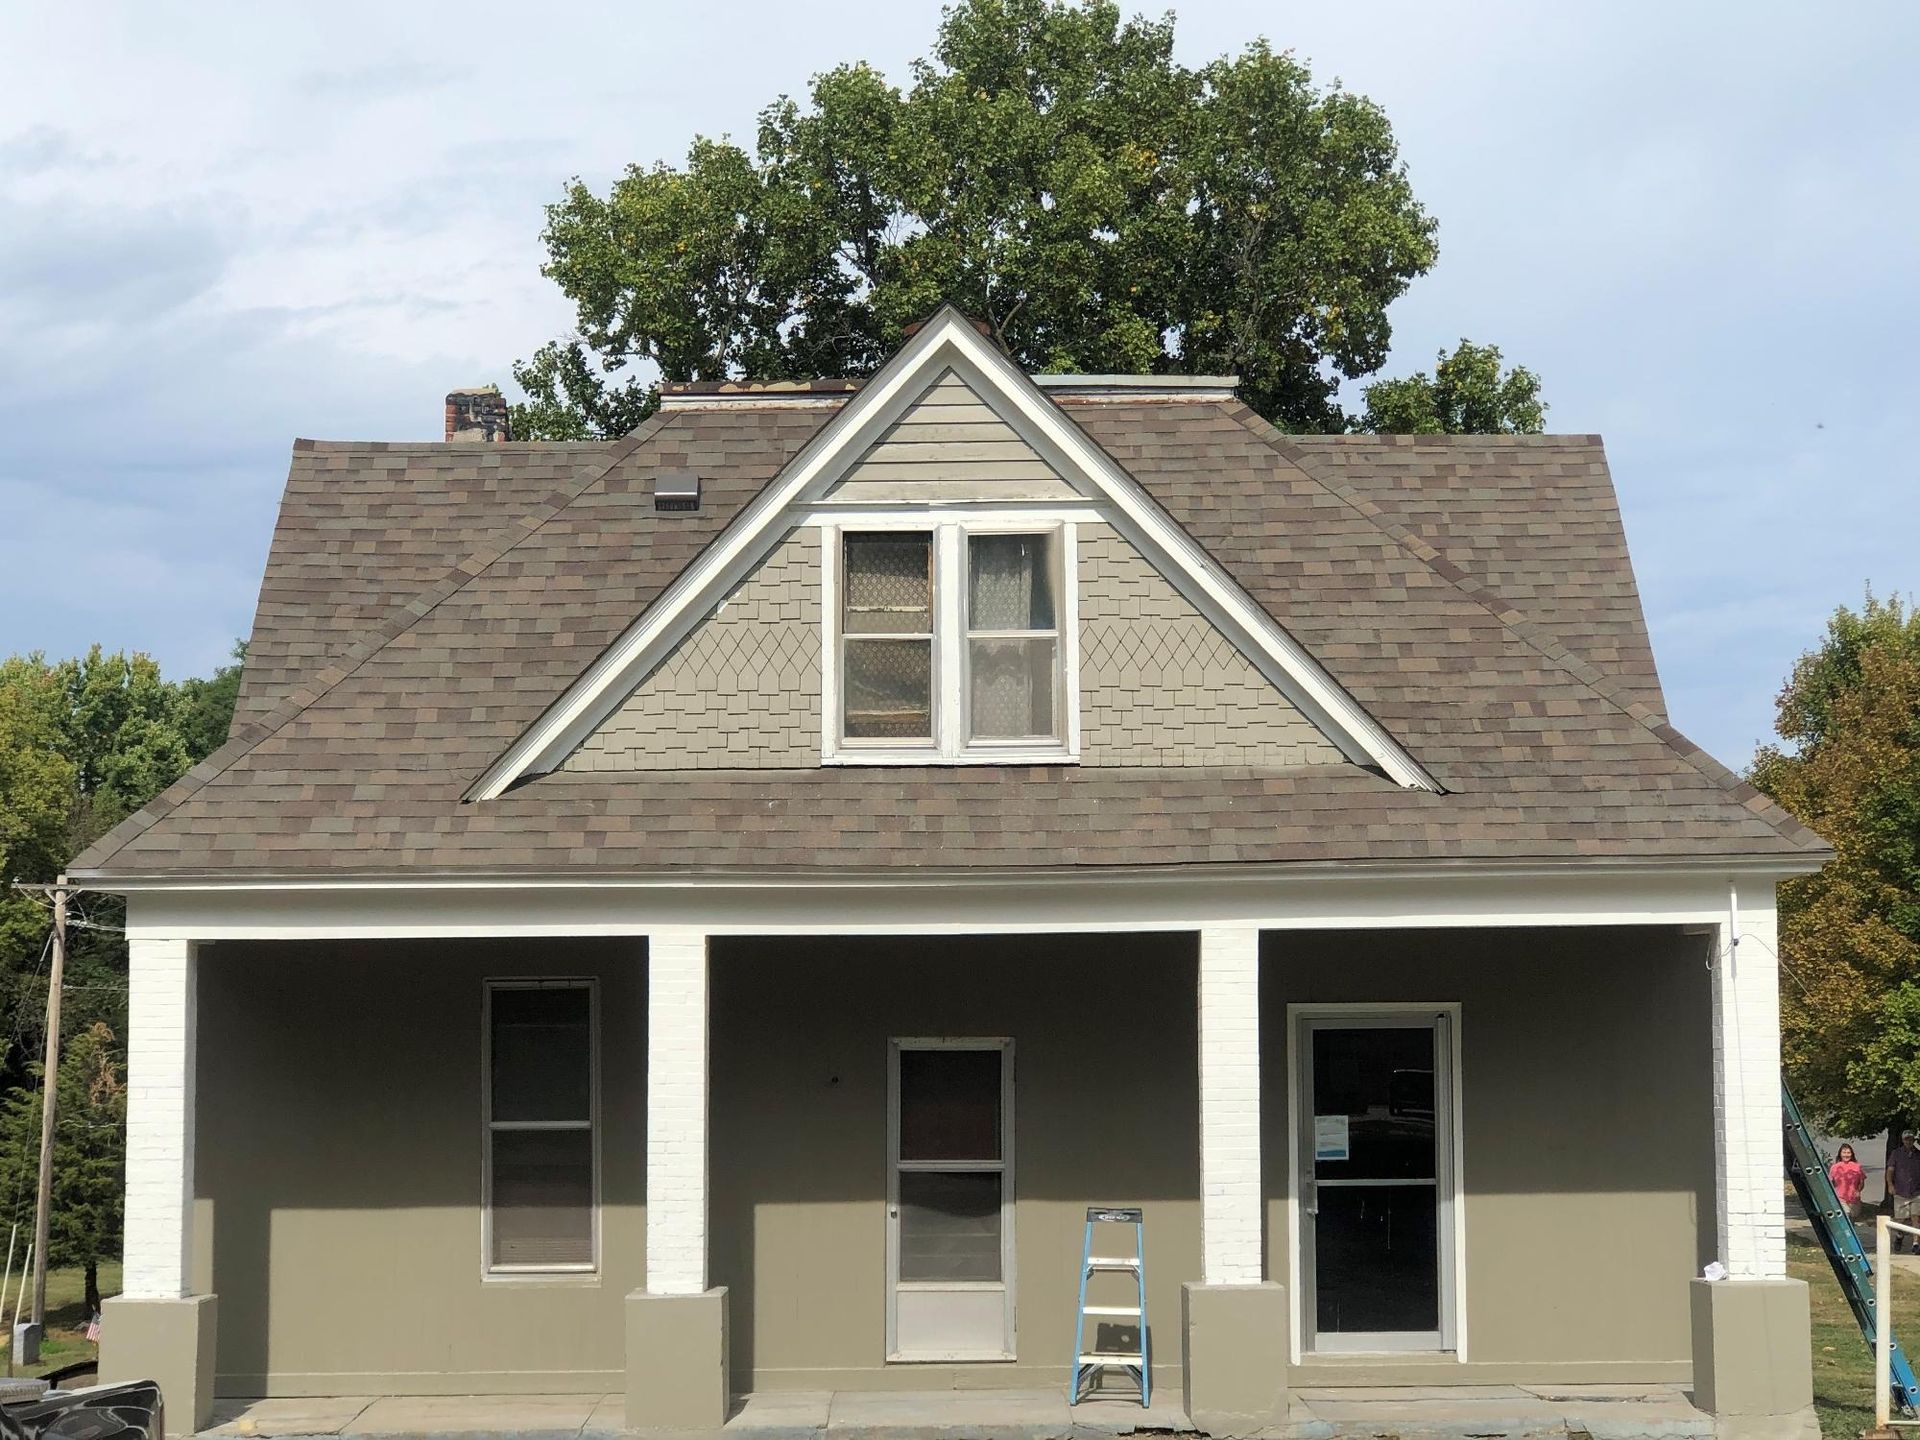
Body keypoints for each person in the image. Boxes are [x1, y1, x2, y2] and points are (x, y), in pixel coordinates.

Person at [1889, 1130, 1920, 1251]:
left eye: (1911, 1139)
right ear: (1903, 1140)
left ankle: (1916, 1243)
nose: (1909, 1141)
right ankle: (1899, 1235)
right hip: (1901, 1191)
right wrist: (1890, 1184)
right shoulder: (1896, 1153)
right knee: (1900, 1219)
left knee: (1915, 1217)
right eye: (1906, 1139)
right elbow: (1890, 1170)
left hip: (1916, 1191)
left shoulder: (1918, 1154)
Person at [1830, 1142, 1866, 1222]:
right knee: (1846, 1215)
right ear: (1840, 1154)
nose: (1846, 1155)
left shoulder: (1857, 1166)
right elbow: (1830, 1182)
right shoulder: (1835, 1167)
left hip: (1854, 1199)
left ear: (1852, 1154)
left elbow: (1862, 1181)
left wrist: (1858, 1190)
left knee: (1852, 1218)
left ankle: (1850, 1233)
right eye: (1844, 1153)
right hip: (1840, 1198)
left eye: (1848, 1153)